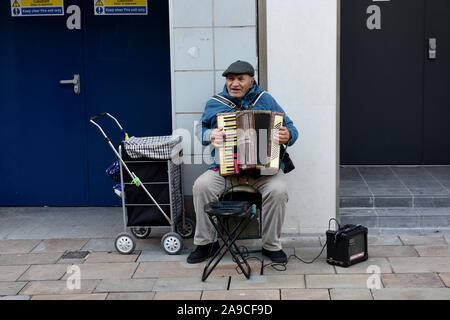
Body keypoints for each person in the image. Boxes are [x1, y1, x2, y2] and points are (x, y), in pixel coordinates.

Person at [187, 60, 298, 264]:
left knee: (278, 190)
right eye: (230, 79)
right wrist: (210, 134)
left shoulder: (265, 100)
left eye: (240, 79)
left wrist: (288, 134)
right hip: (225, 170)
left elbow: (291, 127)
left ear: (251, 80)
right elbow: (201, 129)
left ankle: (270, 245)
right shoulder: (216, 103)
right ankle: (206, 244)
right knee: (202, 186)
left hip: (263, 172)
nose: (234, 83)